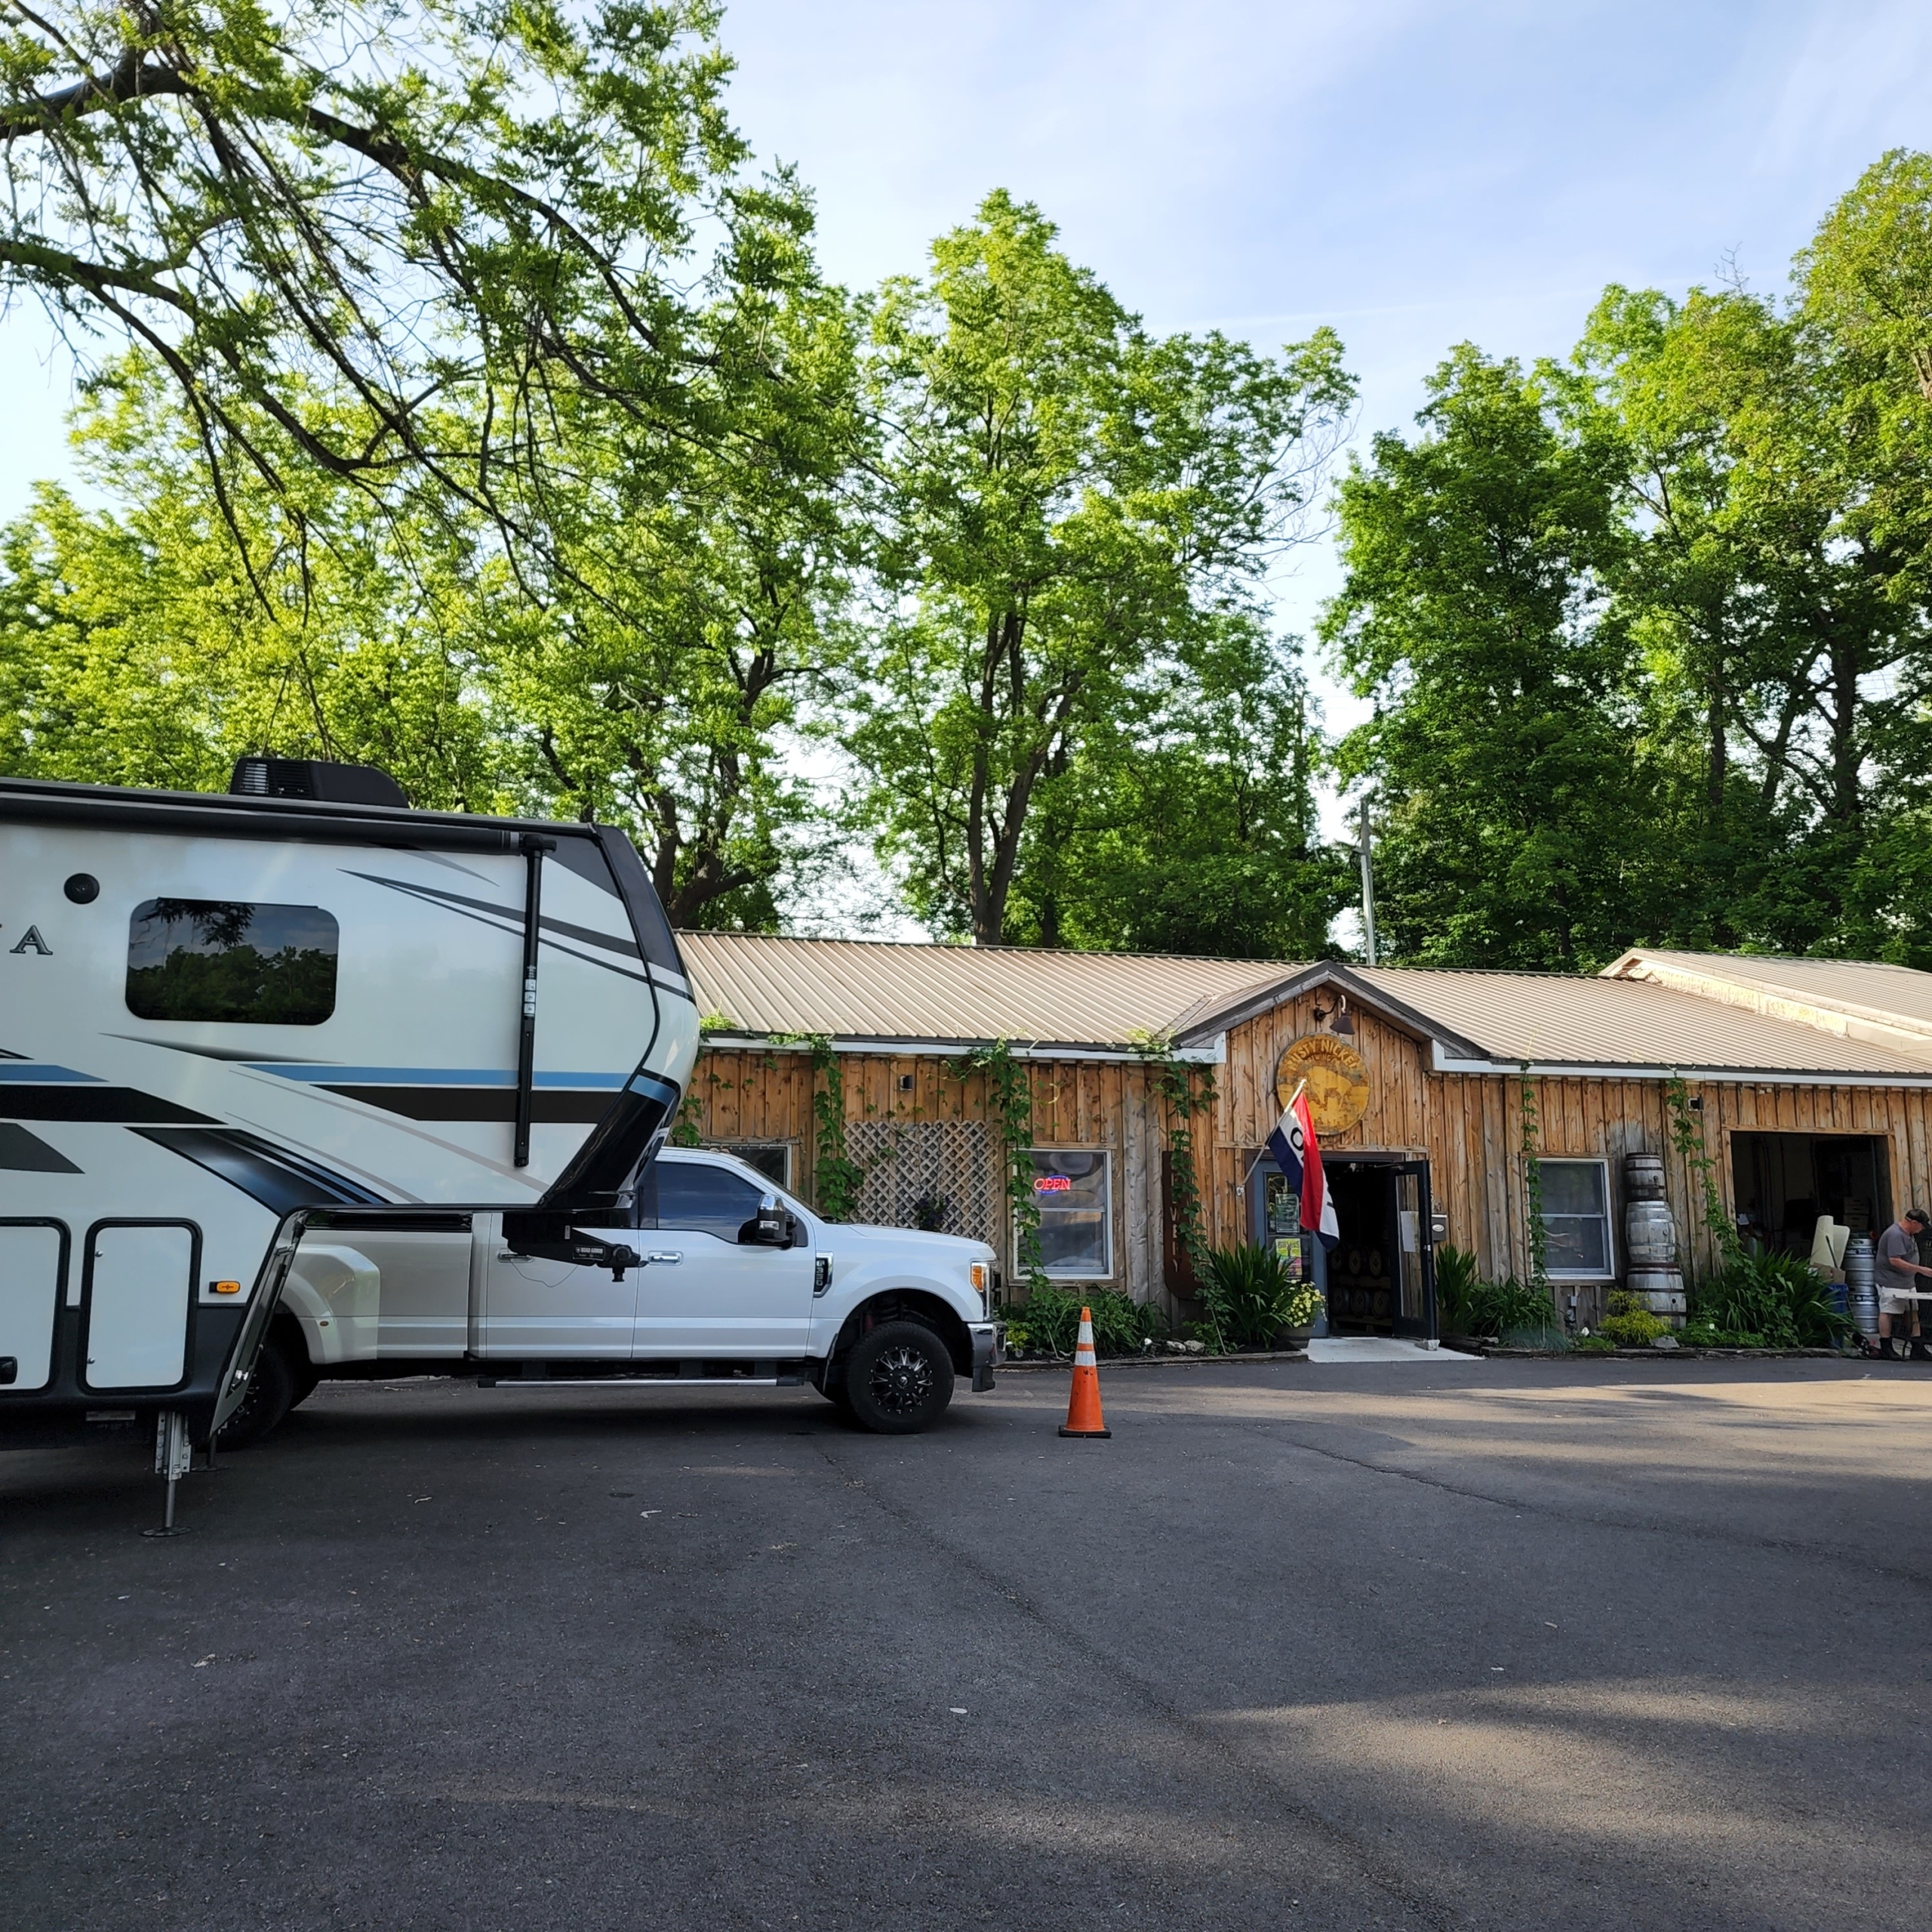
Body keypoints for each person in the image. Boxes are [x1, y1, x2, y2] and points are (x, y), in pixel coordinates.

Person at [1873, 1208, 1932, 1361]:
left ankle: (1917, 1347)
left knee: (1912, 1311)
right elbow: (1895, 1260)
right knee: (1888, 1310)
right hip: (1890, 1280)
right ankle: (1886, 1346)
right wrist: (1920, 1269)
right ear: (1914, 1223)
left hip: (1907, 1281)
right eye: (1921, 1226)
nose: (1922, 1229)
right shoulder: (1896, 1235)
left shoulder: (1909, 1235)